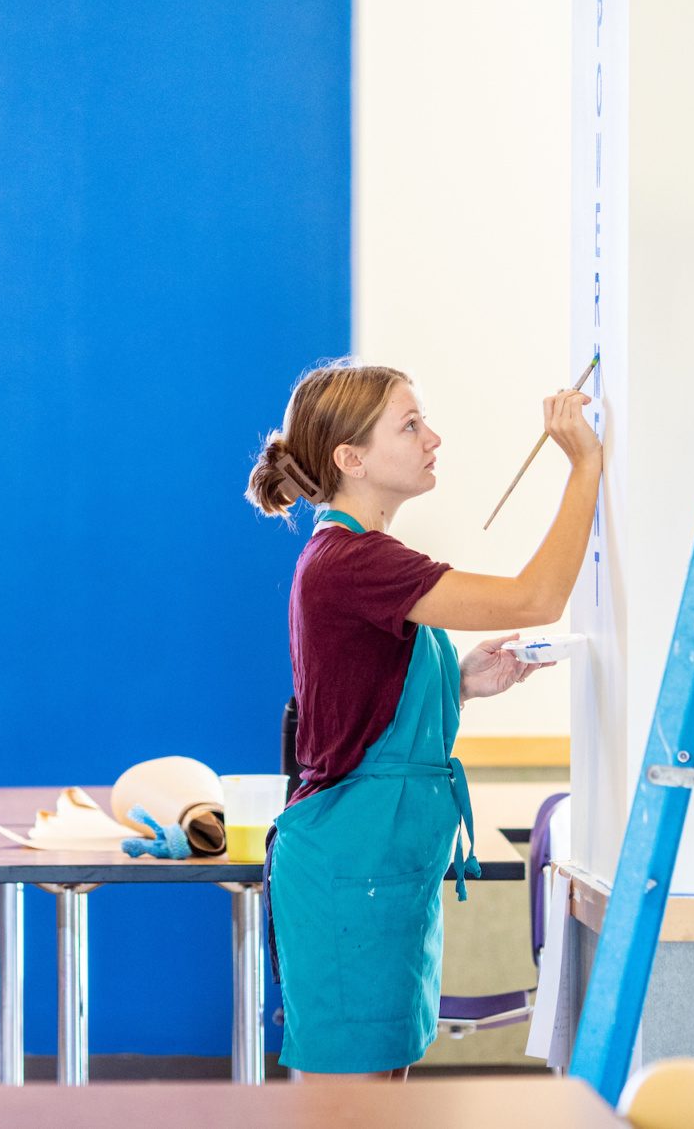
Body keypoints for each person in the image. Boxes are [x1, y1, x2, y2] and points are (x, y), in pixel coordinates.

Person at [244, 359, 601, 1080]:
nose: (433, 438)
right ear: (353, 459)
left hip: (382, 863)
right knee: (351, 1102)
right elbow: (538, 597)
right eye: (410, 425)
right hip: (353, 863)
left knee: (381, 1086)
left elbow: (358, 701)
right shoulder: (354, 562)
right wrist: (584, 466)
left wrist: (461, 685)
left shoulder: (358, 560)